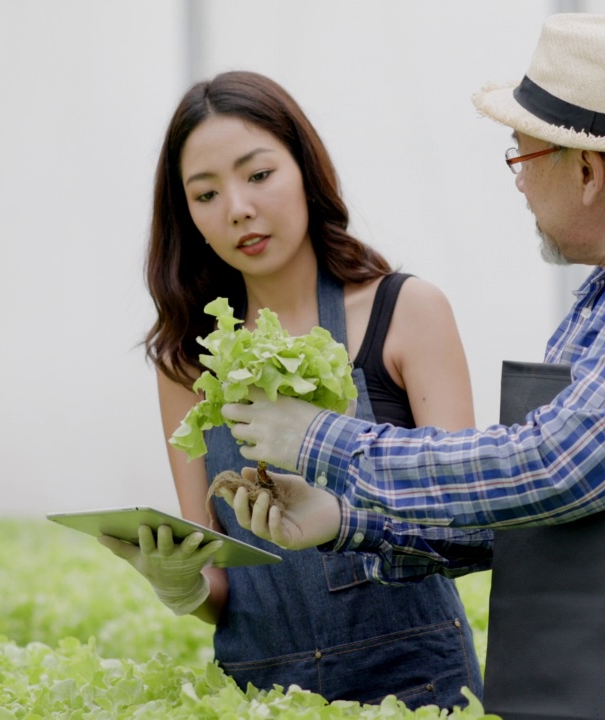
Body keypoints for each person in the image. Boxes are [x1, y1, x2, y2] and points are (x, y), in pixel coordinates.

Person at [218, 15, 605, 720]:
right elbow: (533, 518)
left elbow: (552, 468)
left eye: (520, 158)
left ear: (585, 168)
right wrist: (342, 520)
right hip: (582, 696)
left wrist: (321, 442)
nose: (517, 186)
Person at [98, 70, 483, 710]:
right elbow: (220, 580)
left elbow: (463, 523)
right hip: (264, 687)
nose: (238, 209)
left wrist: (339, 516)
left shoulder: (406, 311)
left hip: (415, 680)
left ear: (306, 169)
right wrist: (184, 585)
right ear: (186, 215)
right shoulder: (188, 362)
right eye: (205, 194)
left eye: (258, 175)